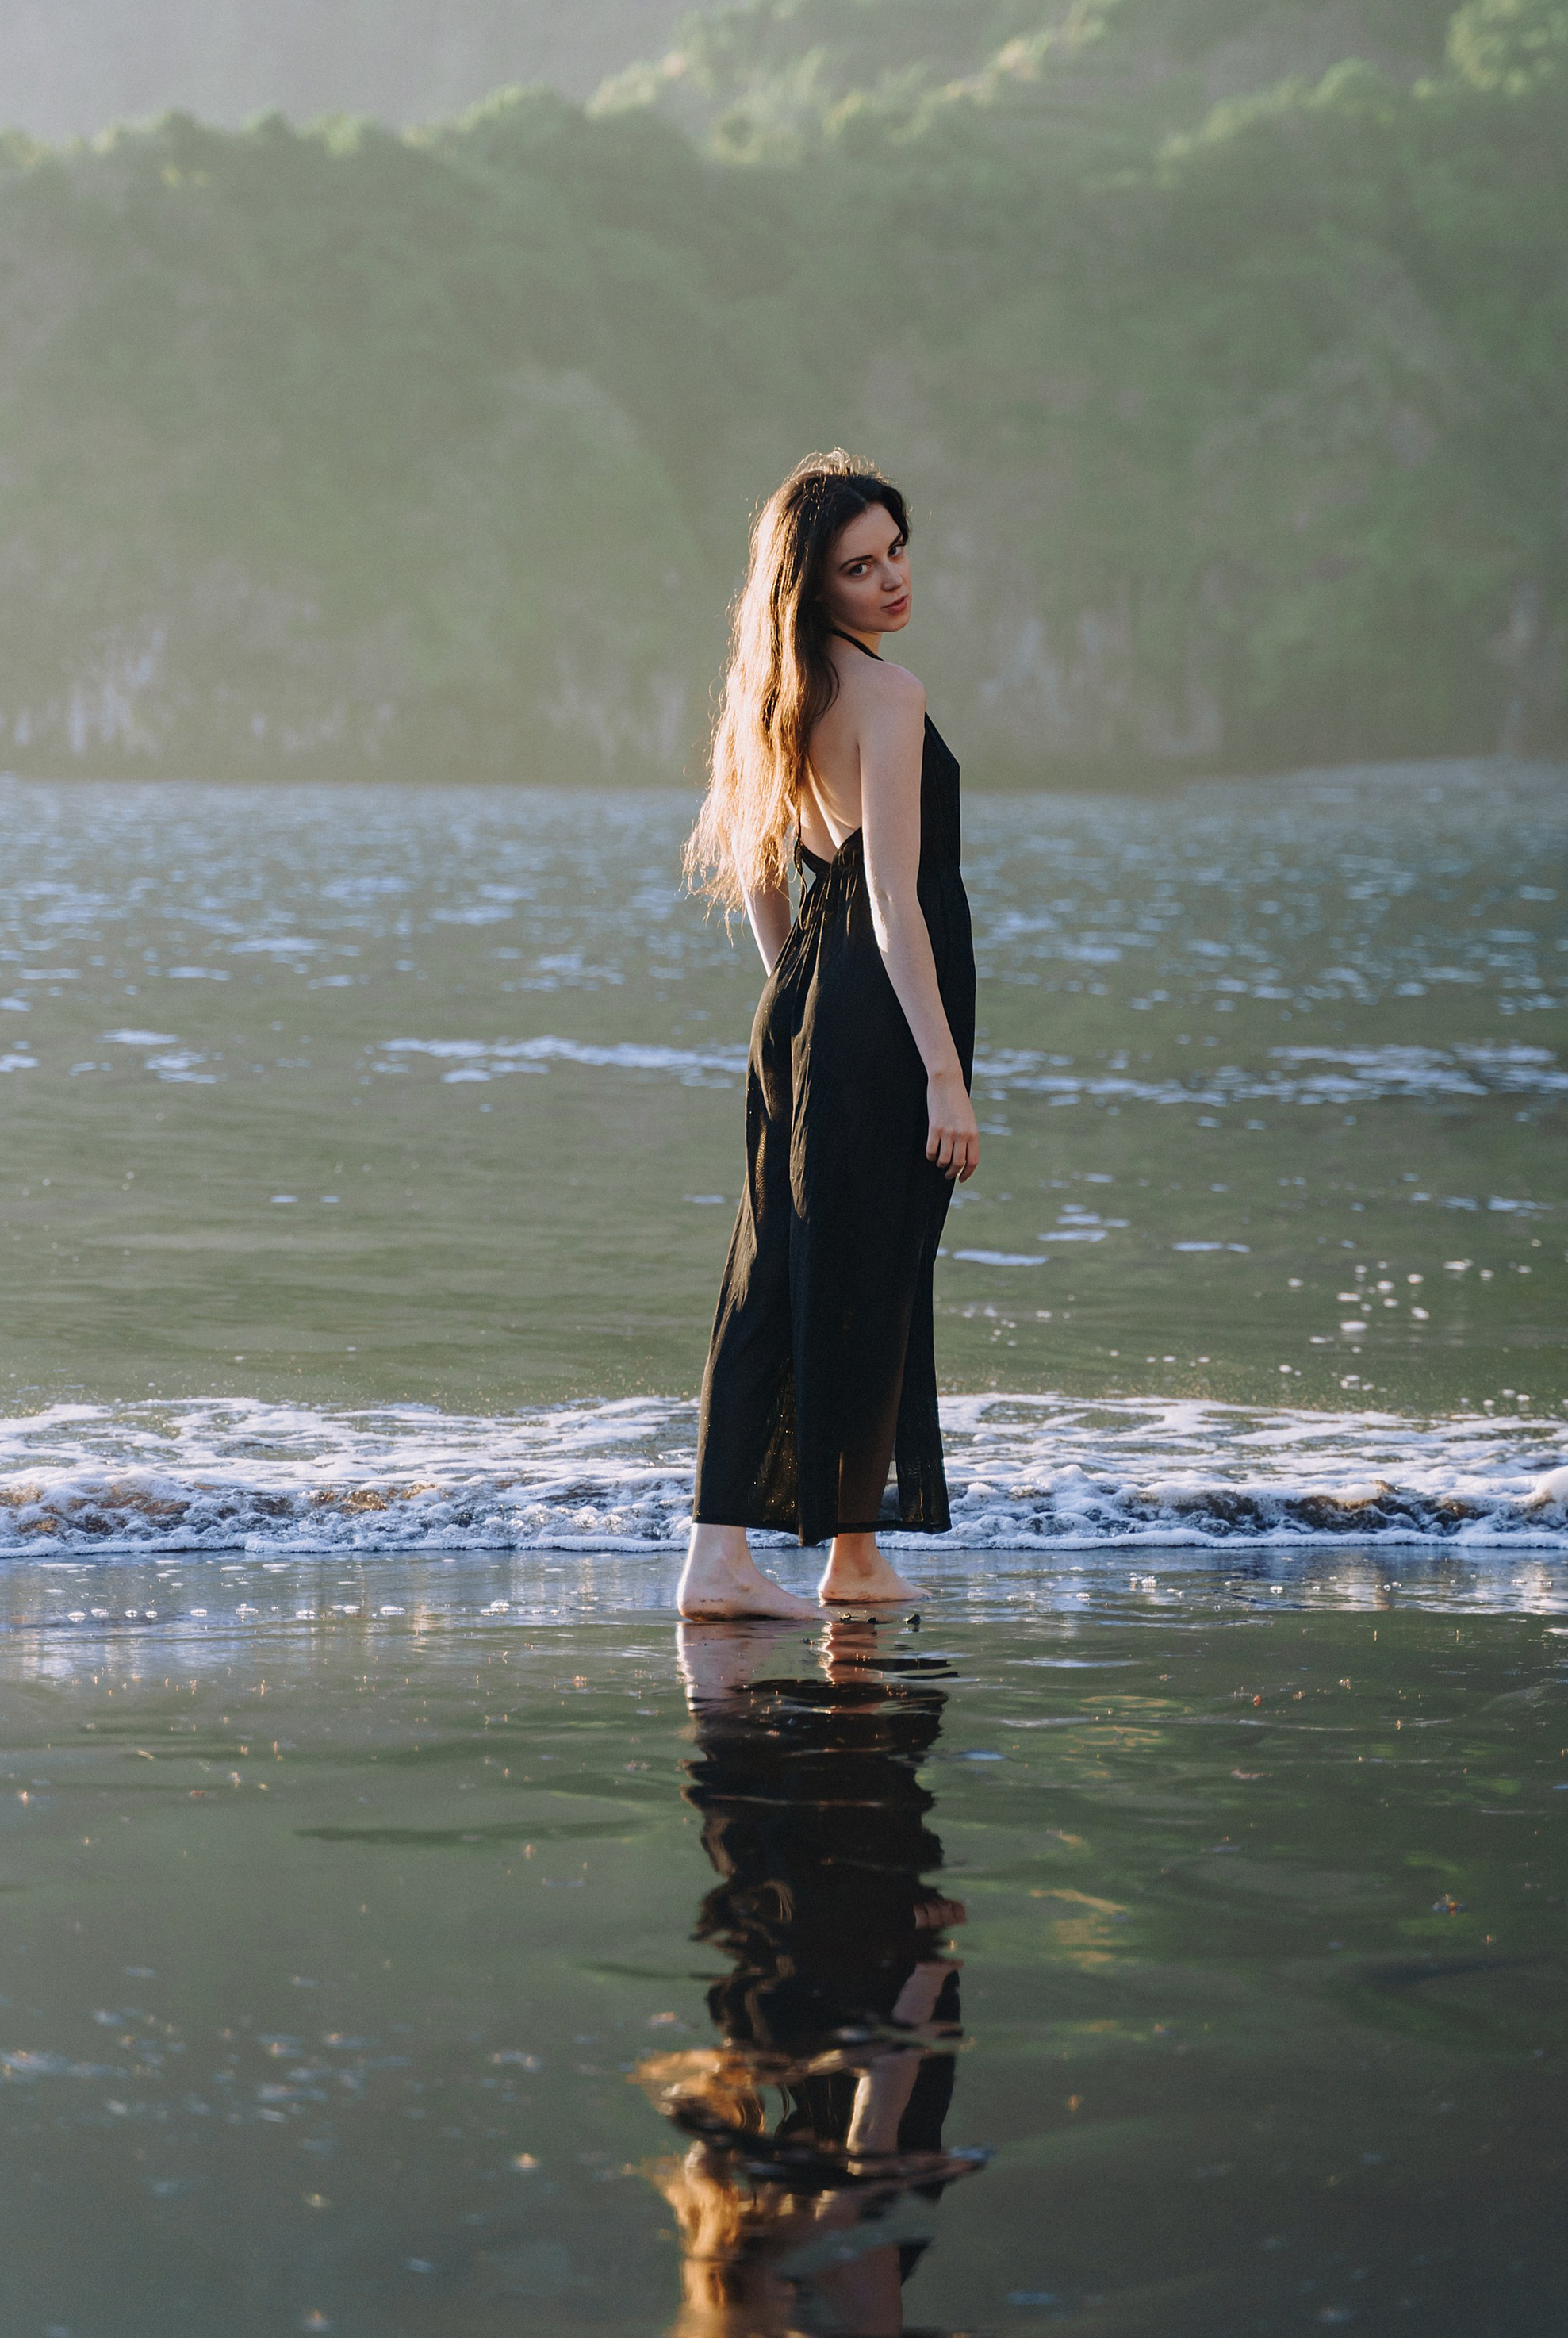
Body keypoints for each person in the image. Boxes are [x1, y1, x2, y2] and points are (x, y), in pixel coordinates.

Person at [678, 453, 978, 1619]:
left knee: (791, 1271)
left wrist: (799, 999)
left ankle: (847, 1557)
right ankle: (733, 1563)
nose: (890, 580)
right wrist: (942, 1075)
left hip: (810, 1000)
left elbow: (761, 873)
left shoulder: (773, 690)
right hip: (882, 1011)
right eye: (860, 567)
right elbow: (898, 899)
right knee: (865, 1275)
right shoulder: (886, 696)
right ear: (812, 583)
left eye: (897, 550)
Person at [637, 1616, 981, 2336]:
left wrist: (925, 1970)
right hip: (865, 2038)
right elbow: (876, 2124)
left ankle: (828, 1602)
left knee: (802, 1819)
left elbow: (871, 2118)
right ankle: (823, 1605)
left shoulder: (745, 2244)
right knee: (775, 1823)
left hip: (857, 2040)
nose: (794, 2305)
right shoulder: (783, 2266)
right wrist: (925, 1972)